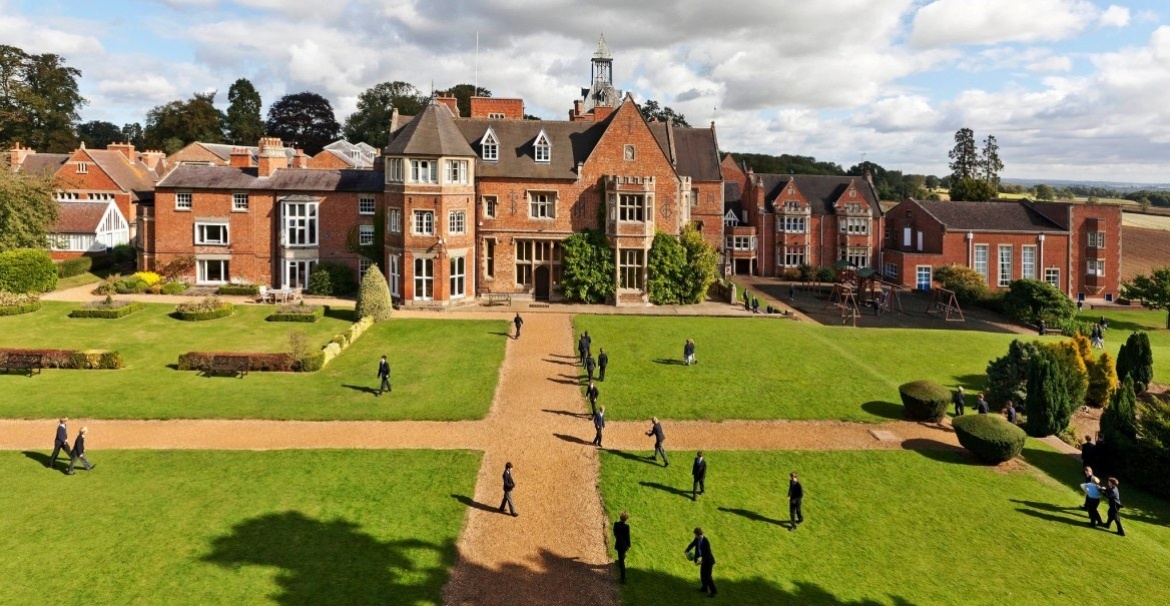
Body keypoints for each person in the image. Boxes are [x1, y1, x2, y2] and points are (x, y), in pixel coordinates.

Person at [685, 527, 717, 597]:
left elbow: (707, 553)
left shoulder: (705, 541)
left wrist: (700, 562)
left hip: (708, 561)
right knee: (702, 575)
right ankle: (704, 588)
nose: (695, 536)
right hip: (703, 560)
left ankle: (713, 591)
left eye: (695, 535)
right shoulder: (697, 539)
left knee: (708, 576)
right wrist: (686, 551)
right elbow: (692, 544)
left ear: (698, 534)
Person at [613, 511, 631, 583]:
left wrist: (618, 538)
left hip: (618, 544)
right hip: (624, 545)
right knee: (622, 563)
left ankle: (620, 560)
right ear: (626, 519)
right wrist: (629, 545)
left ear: (620, 517)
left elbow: (615, 533)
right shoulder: (626, 527)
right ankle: (623, 579)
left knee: (621, 556)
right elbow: (627, 537)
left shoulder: (616, 524)